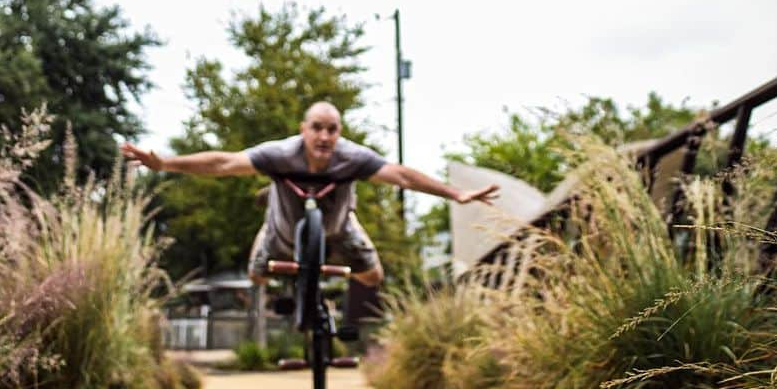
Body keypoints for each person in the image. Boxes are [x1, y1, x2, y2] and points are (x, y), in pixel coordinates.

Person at [119, 100, 498, 293]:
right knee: (257, 275)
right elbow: (224, 163)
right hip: (282, 232)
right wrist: (166, 163)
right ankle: (270, 212)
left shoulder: (352, 157)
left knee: (373, 277)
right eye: (317, 128)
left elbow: (400, 175)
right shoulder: (281, 154)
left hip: (339, 228)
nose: (324, 137)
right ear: (304, 129)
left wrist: (456, 193)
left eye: (331, 130)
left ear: (339, 132)